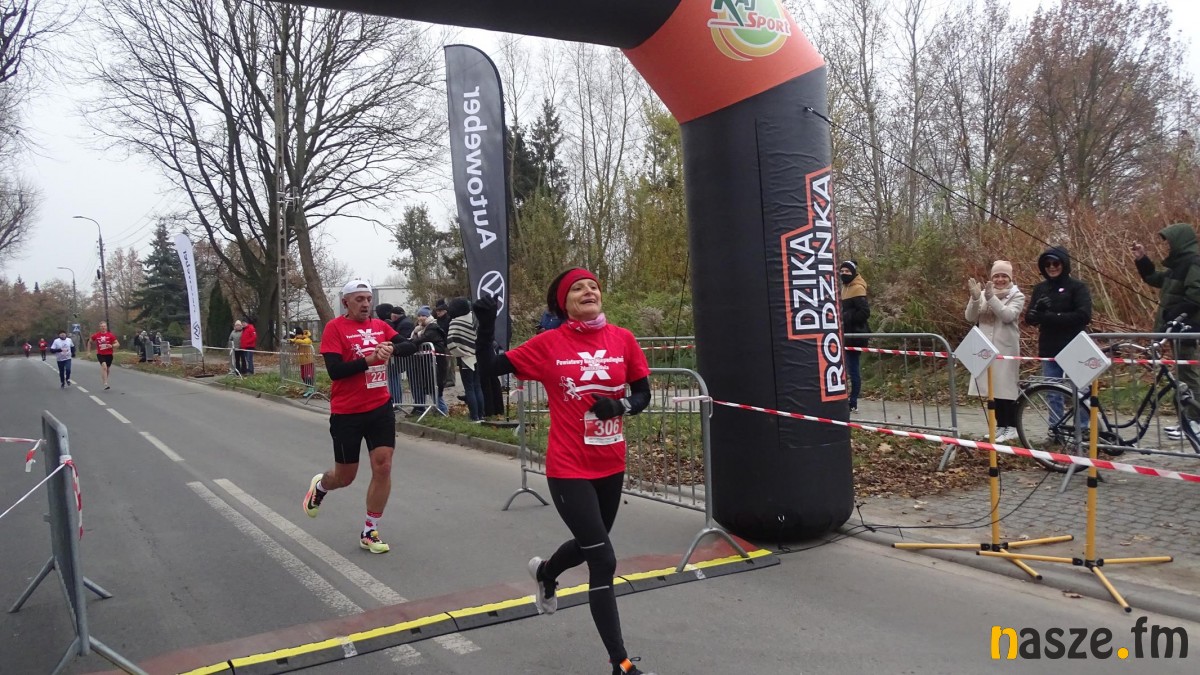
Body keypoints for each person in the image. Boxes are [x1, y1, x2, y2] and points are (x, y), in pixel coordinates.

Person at [473, 268, 655, 675]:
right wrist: (485, 327)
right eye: (578, 288)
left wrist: (621, 405)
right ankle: (621, 663)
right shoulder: (549, 343)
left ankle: (546, 572)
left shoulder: (623, 339)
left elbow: (643, 392)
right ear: (563, 303)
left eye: (593, 286)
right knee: (603, 558)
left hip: (611, 462)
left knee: (592, 544)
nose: (588, 290)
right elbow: (488, 369)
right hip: (569, 467)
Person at [303, 279, 416, 554]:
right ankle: (321, 486)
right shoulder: (334, 328)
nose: (366, 304)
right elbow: (335, 371)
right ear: (346, 302)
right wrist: (369, 360)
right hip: (347, 412)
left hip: (379, 407)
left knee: (383, 465)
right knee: (345, 477)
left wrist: (393, 349)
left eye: (368, 299)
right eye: (359, 299)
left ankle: (369, 530)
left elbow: (411, 345)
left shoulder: (380, 326)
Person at [1133, 223, 1200, 437]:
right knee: (1183, 375)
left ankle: (1195, 422)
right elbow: (1155, 279)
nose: (1167, 245)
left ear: (1180, 240)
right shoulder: (1177, 266)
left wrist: (1175, 315)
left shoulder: (1193, 262)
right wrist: (1142, 259)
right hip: (1176, 329)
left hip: (1188, 329)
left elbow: (1196, 295)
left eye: (1169, 241)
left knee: (1189, 376)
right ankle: (1186, 421)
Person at [1025, 247, 1092, 426]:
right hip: (1050, 346)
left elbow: (1084, 315)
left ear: (1064, 264)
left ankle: (1083, 429)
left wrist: (1050, 317)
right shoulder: (1040, 288)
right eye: (1047, 264)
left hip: (1075, 345)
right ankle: (1055, 428)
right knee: (1053, 392)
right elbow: (1029, 319)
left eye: (1056, 263)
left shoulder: (1078, 287)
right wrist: (1036, 311)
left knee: (1080, 390)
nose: (1052, 267)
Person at [965, 260, 1026, 443]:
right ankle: (1000, 425)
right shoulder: (984, 294)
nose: (1000, 279)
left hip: (1005, 347)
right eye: (996, 276)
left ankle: (1012, 427)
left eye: (1004, 276)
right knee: (993, 388)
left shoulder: (1017, 295)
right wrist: (976, 299)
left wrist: (991, 298)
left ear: (1010, 278)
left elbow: (1008, 316)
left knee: (1006, 388)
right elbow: (970, 317)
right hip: (985, 348)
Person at [446, 297, 485, 421]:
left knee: (469, 388)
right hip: (477, 355)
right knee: (477, 386)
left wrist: (460, 353)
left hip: (465, 358)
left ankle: (474, 416)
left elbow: (451, 342)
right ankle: (481, 414)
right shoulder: (474, 318)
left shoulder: (456, 322)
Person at [838, 260, 869, 413]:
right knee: (844, 369)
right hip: (844, 335)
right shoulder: (843, 288)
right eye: (842, 271)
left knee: (853, 369)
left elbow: (865, 312)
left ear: (853, 273)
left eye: (847, 271)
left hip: (855, 336)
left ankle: (853, 401)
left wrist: (846, 317)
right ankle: (844, 400)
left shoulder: (858, 288)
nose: (844, 274)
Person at [411, 305, 449, 415]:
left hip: (436, 362)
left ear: (428, 316)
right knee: (431, 385)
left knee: (435, 386)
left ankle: (443, 410)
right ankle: (438, 409)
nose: (420, 318)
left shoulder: (432, 327)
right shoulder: (420, 329)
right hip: (428, 362)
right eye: (419, 316)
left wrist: (409, 343)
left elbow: (423, 339)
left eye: (423, 315)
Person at [87, 321, 121, 390]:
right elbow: (89, 342)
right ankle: (105, 383)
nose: (103, 327)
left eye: (104, 326)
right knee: (104, 367)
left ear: (106, 327)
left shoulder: (110, 335)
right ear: (99, 327)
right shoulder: (96, 335)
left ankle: (105, 380)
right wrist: (88, 352)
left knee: (107, 369)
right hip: (100, 354)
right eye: (102, 326)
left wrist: (111, 346)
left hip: (109, 354)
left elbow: (117, 344)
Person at [434, 299, 455, 388]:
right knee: (442, 364)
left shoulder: (449, 319)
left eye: (440, 310)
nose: (438, 312)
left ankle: (450, 380)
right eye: (437, 310)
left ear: (445, 310)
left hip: (447, 344)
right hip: (440, 344)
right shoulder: (437, 320)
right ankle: (443, 380)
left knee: (449, 364)